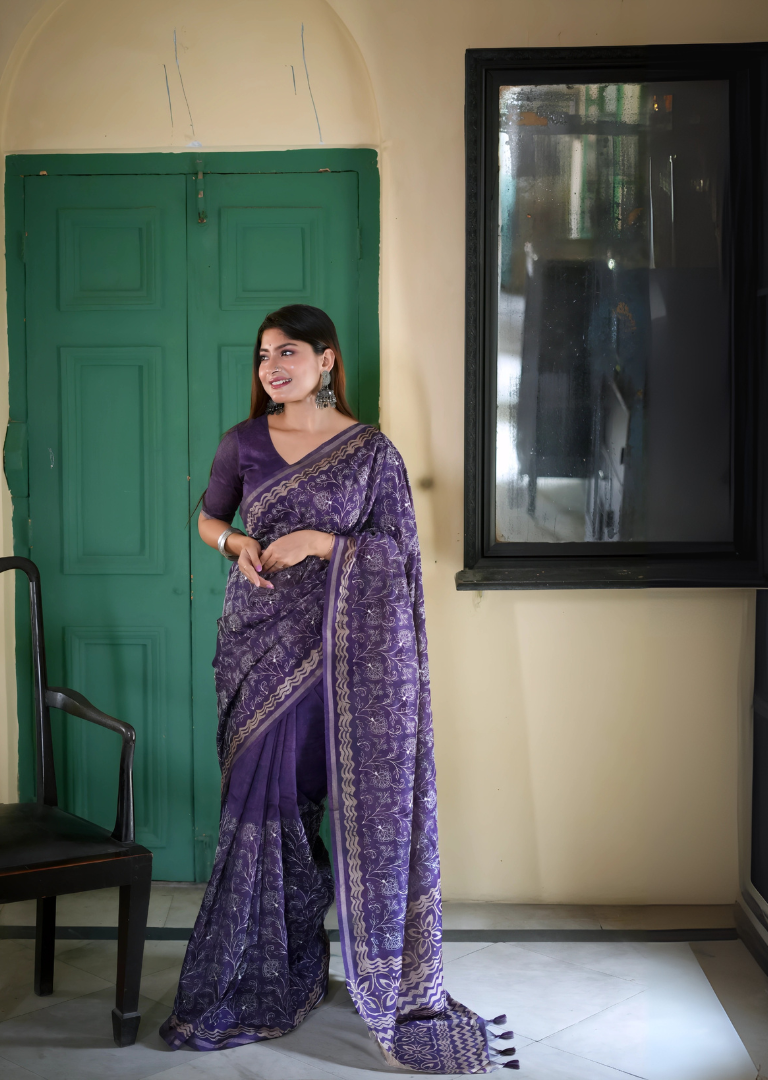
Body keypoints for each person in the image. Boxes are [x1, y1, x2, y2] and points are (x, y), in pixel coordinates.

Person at [159, 305, 517, 1073]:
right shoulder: (242, 443)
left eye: (288, 352)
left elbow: (399, 556)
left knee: (333, 808)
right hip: (257, 650)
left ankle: (350, 968)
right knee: (263, 806)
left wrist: (323, 542)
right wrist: (238, 542)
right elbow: (206, 519)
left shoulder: (371, 453)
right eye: (262, 355)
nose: (272, 367)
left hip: (347, 664)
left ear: (327, 361)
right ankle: (263, 976)